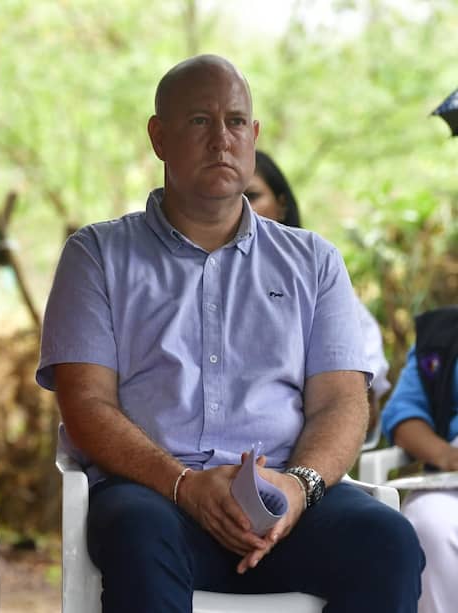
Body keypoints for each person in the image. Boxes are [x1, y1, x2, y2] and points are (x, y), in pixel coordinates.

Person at [37, 54, 423, 612]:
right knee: (136, 532)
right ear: (159, 137)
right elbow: (86, 404)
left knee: (388, 541)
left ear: (254, 136)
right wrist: (185, 486)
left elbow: (342, 402)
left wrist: (298, 487)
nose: (222, 139)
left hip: (286, 498)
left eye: (236, 121)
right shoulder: (97, 255)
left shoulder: (314, 261)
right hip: (158, 497)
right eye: (200, 120)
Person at [245, 150, 392, 444]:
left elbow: (362, 407)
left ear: (282, 204)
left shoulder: (321, 279)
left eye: (252, 196)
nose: (241, 207)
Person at [381, 305, 458, 613]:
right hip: (452, 475)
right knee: (427, 522)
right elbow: (403, 414)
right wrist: (446, 456)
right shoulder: (440, 335)